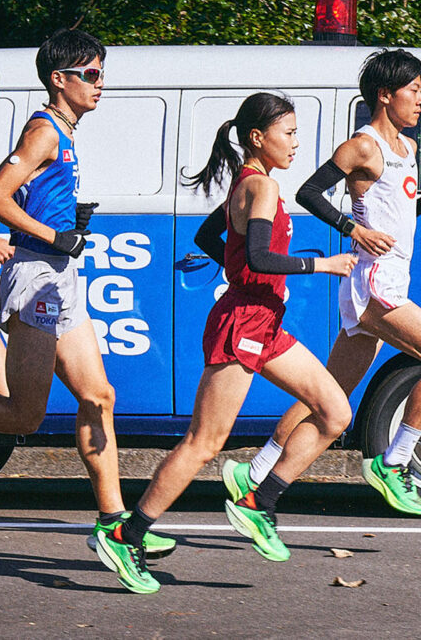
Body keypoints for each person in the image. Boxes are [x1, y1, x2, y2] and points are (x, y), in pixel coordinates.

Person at [93, 93, 358, 594]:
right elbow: (258, 256)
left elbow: (207, 236)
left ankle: (259, 501)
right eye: (290, 133)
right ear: (258, 138)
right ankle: (128, 535)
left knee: (334, 412)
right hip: (242, 325)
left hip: (266, 323)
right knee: (204, 443)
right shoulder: (259, 186)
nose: (297, 143)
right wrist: (319, 264)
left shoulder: (250, 184)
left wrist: (237, 266)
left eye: (297, 133)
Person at [223, 49, 421, 517]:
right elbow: (308, 192)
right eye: (413, 90)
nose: (420, 100)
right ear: (385, 95)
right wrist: (352, 231)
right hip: (373, 284)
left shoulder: (408, 150)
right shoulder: (364, 145)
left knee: (330, 388)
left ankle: (257, 472)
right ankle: (394, 463)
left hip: (390, 277)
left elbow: (390, 218)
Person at [0, 29, 175, 557]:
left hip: (61, 274)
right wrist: (51, 233)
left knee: (98, 396)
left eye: (102, 73)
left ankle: (113, 522)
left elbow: (31, 195)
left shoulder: (66, 130)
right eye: (90, 74)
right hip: (36, 274)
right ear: (59, 80)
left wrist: (66, 219)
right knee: (24, 416)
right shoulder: (43, 130)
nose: (99, 84)